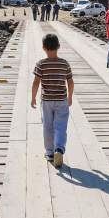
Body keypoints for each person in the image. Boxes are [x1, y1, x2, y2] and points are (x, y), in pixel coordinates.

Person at [30, 33, 74, 168]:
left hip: (47, 100)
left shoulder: (41, 64)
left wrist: (33, 98)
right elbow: (70, 82)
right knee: (60, 126)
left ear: (44, 48)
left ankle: (49, 153)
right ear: (59, 47)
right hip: (61, 100)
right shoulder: (64, 64)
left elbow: (36, 83)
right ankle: (59, 149)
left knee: (48, 126)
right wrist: (70, 96)